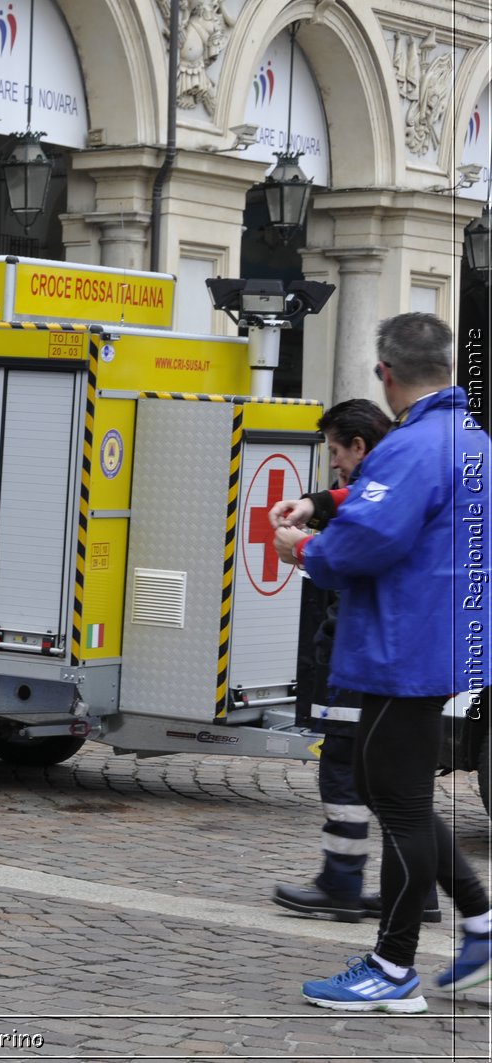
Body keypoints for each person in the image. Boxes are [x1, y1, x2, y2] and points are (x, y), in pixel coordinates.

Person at [276, 313, 492, 1012]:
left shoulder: (409, 447)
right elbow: (395, 504)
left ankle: (393, 967)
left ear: (386, 374)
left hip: (401, 647)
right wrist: (323, 498)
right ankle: (483, 925)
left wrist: (301, 550)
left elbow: (365, 541)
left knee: (396, 805)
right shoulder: (469, 439)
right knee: (394, 792)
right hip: (436, 640)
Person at [271, 399, 440, 924]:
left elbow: (356, 551)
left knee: (351, 771)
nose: (335, 464)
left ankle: (343, 882)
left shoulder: (394, 473)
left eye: (336, 453)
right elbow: (361, 501)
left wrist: (303, 547)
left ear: (360, 447)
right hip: (404, 651)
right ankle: (419, 894)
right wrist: (317, 503)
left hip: (367, 647)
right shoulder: (416, 467)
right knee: (396, 781)